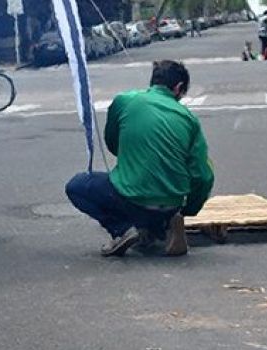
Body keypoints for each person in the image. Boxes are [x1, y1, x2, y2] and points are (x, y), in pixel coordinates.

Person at [65, 60, 214, 258]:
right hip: (170, 205)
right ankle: (162, 227)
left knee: (77, 185)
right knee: (157, 205)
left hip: (131, 199)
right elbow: (203, 176)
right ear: (178, 88)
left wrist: (135, 154)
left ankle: (122, 229)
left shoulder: (124, 101)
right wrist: (187, 211)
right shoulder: (189, 119)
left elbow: (112, 143)